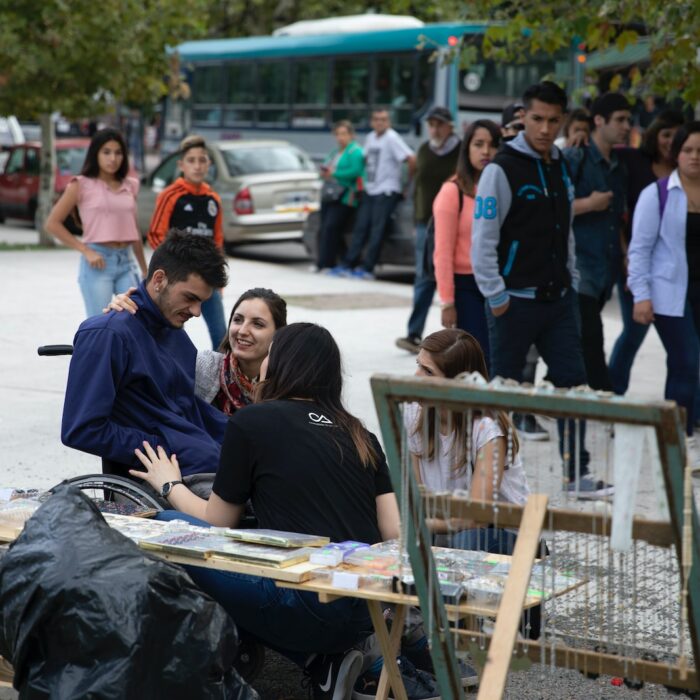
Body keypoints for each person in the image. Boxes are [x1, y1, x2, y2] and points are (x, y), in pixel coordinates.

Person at [128, 322, 402, 700]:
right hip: (364, 615)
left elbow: (217, 521)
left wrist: (168, 484)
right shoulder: (359, 433)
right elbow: (394, 532)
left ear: (283, 363)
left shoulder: (255, 421)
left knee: (167, 526)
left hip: (305, 606)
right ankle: (322, 662)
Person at [471, 81, 612, 499]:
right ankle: (490, 479)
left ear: (563, 120)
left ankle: (577, 475)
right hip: (512, 303)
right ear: (523, 118)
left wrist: (572, 278)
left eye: (554, 120)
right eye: (537, 119)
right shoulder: (501, 168)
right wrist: (496, 296)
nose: (546, 128)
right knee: (503, 394)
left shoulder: (560, 166)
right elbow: (483, 240)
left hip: (558, 301)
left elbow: (565, 228)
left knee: (573, 385)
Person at [406, 329, 544, 639]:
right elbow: (418, 495)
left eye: (427, 371)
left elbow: (477, 515)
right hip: (447, 529)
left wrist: (421, 524)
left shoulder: (486, 426)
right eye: (418, 364)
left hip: (504, 538)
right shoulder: (414, 412)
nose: (415, 376)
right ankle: (415, 616)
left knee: (465, 541)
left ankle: (501, 608)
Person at [61, 230, 229, 479]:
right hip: (174, 475)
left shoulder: (171, 327)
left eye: (202, 302)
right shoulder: (109, 335)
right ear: (159, 279)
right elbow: (82, 430)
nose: (196, 312)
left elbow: (185, 408)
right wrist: (167, 450)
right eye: (190, 298)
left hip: (205, 454)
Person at [107, 286, 287, 415]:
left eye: (257, 324)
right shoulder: (205, 367)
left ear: (279, 333)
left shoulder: (289, 384)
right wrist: (129, 312)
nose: (242, 330)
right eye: (238, 320)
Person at [627, 122, 700, 436]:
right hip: (670, 293)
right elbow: (639, 249)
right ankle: (676, 434)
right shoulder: (656, 194)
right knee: (685, 357)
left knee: (690, 361)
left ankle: (689, 423)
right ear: (676, 153)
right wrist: (641, 295)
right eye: (688, 150)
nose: (695, 156)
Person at [609, 110, 685, 395]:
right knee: (634, 332)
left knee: (684, 345)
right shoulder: (633, 161)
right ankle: (613, 394)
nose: (670, 141)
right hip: (634, 261)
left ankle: (687, 406)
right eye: (666, 134)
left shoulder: (689, 170)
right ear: (654, 136)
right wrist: (626, 253)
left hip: (677, 269)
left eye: (676, 136)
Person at [564, 93, 631, 391]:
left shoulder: (619, 165)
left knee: (580, 342)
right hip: (578, 269)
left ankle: (563, 389)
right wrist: (589, 204)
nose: (627, 126)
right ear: (599, 121)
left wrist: (626, 255)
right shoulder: (574, 157)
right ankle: (607, 404)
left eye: (628, 120)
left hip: (606, 269)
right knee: (592, 339)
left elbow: (617, 220)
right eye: (620, 120)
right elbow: (551, 209)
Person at [45, 128, 147, 318]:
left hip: (127, 262)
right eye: (106, 152)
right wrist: (85, 250)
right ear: (95, 154)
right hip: (98, 263)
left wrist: (145, 269)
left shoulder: (131, 185)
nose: (113, 158)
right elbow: (52, 224)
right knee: (99, 324)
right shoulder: (80, 184)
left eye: (118, 153)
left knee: (138, 320)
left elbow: (134, 231)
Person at [147, 134, 227, 349]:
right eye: (191, 160)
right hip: (179, 280)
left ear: (209, 164)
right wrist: (173, 269)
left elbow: (217, 240)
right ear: (181, 165)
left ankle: (224, 380)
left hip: (207, 279)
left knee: (222, 336)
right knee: (172, 331)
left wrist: (218, 279)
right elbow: (156, 235)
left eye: (202, 160)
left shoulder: (213, 199)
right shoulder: (170, 195)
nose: (197, 165)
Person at [432, 119, 500, 358]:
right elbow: (442, 252)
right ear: (467, 149)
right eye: (478, 144)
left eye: (492, 145)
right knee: (477, 357)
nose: (485, 151)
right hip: (466, 288)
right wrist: (447, 301)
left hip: (497, 283)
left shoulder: (501, 189)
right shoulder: (452, 192)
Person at [396, 106, 461, 354]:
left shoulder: (461, 151)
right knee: (424, 277)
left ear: (449, 126)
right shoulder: (423, 150)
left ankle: (458, 335)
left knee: (456, 276)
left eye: (439, 124)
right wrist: (416, 220)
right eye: (431, 124)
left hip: (454, 220)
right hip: (426, 223)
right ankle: (414, 333)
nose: (434, 129)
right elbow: (418, 188)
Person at [330, 110, 415, 280]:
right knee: (361, 228)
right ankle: (348, 264)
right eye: (376, 119)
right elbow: (364, 159)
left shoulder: (392, 138)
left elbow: (411, 159)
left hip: (387, 190)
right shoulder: (370, 137)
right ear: (371, 122)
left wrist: (406, 185)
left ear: (389, 122)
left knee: (377, 230)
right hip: (370, 189)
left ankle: (368, 268)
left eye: (383, 120)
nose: (380, 123)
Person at [316, 121, 365, 271]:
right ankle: (331, 262)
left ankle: (327, 263)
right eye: (337, 134)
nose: (340, 138)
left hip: (345, 196)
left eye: (344, 134)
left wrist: (335, 174)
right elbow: (326, 168)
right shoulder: (335, 152)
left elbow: (356, 171)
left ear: (351, 135)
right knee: (325, 228)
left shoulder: (355, 152)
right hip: (330, 195)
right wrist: (324, 173)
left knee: (332, 228)